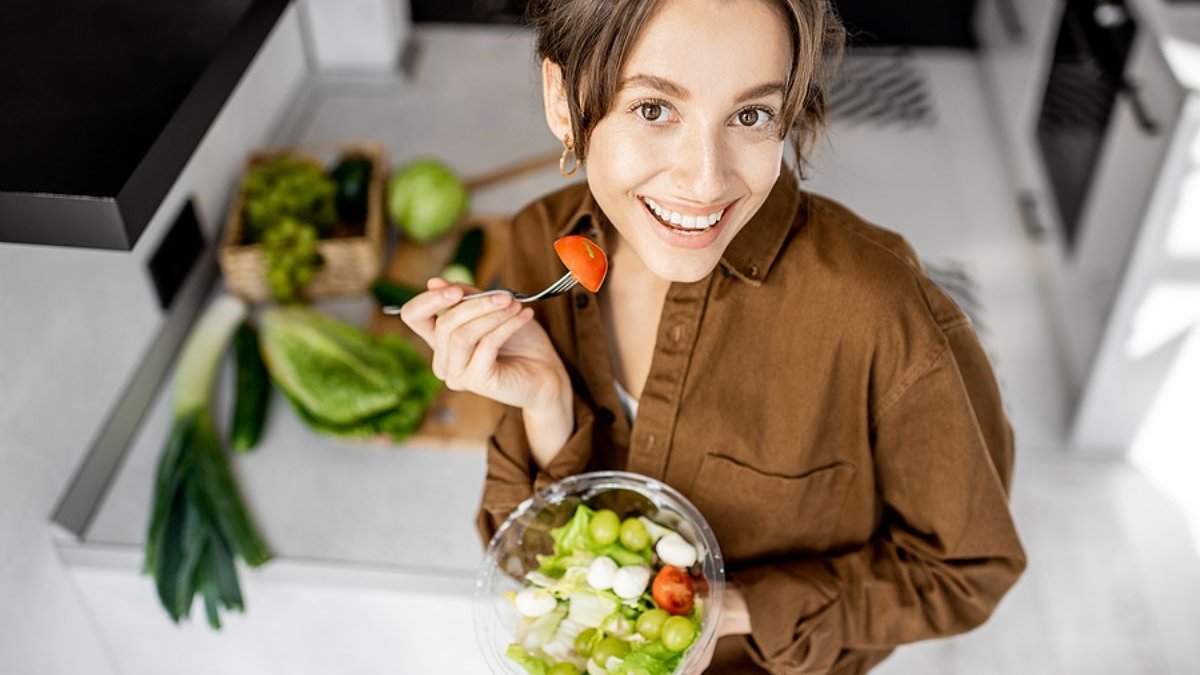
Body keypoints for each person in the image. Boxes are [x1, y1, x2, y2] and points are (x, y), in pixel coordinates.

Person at [400, 0, 1026, 672]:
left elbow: (966, 569)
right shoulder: (537, 246)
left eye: (750, 115)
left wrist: (733, 608)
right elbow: (533, 565)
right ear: (563, 96)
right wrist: (547, 403)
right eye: (653, 109)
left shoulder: (881, 312)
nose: (705, 180)